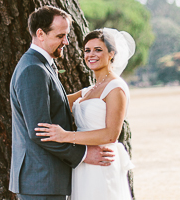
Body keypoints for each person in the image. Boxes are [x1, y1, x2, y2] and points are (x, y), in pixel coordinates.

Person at [9, 6, 115, 200]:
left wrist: (88, 93)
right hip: (42, 180)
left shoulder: (41, 65)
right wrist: (83, 154)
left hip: (46, 181)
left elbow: (52, 105)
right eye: (60, 36)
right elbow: (40, 133)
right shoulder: (34, 70)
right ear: (40, 34)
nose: (66, 41)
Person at [35, 28, 136, 200]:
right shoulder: (88, 91)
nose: (91, 55)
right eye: (87, 50)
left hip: (102, 161)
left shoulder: (116, 88)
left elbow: (111, 134)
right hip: (84, 162)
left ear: (112, 54)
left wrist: (65, 136)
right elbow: (56, 103)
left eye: (98, 50)